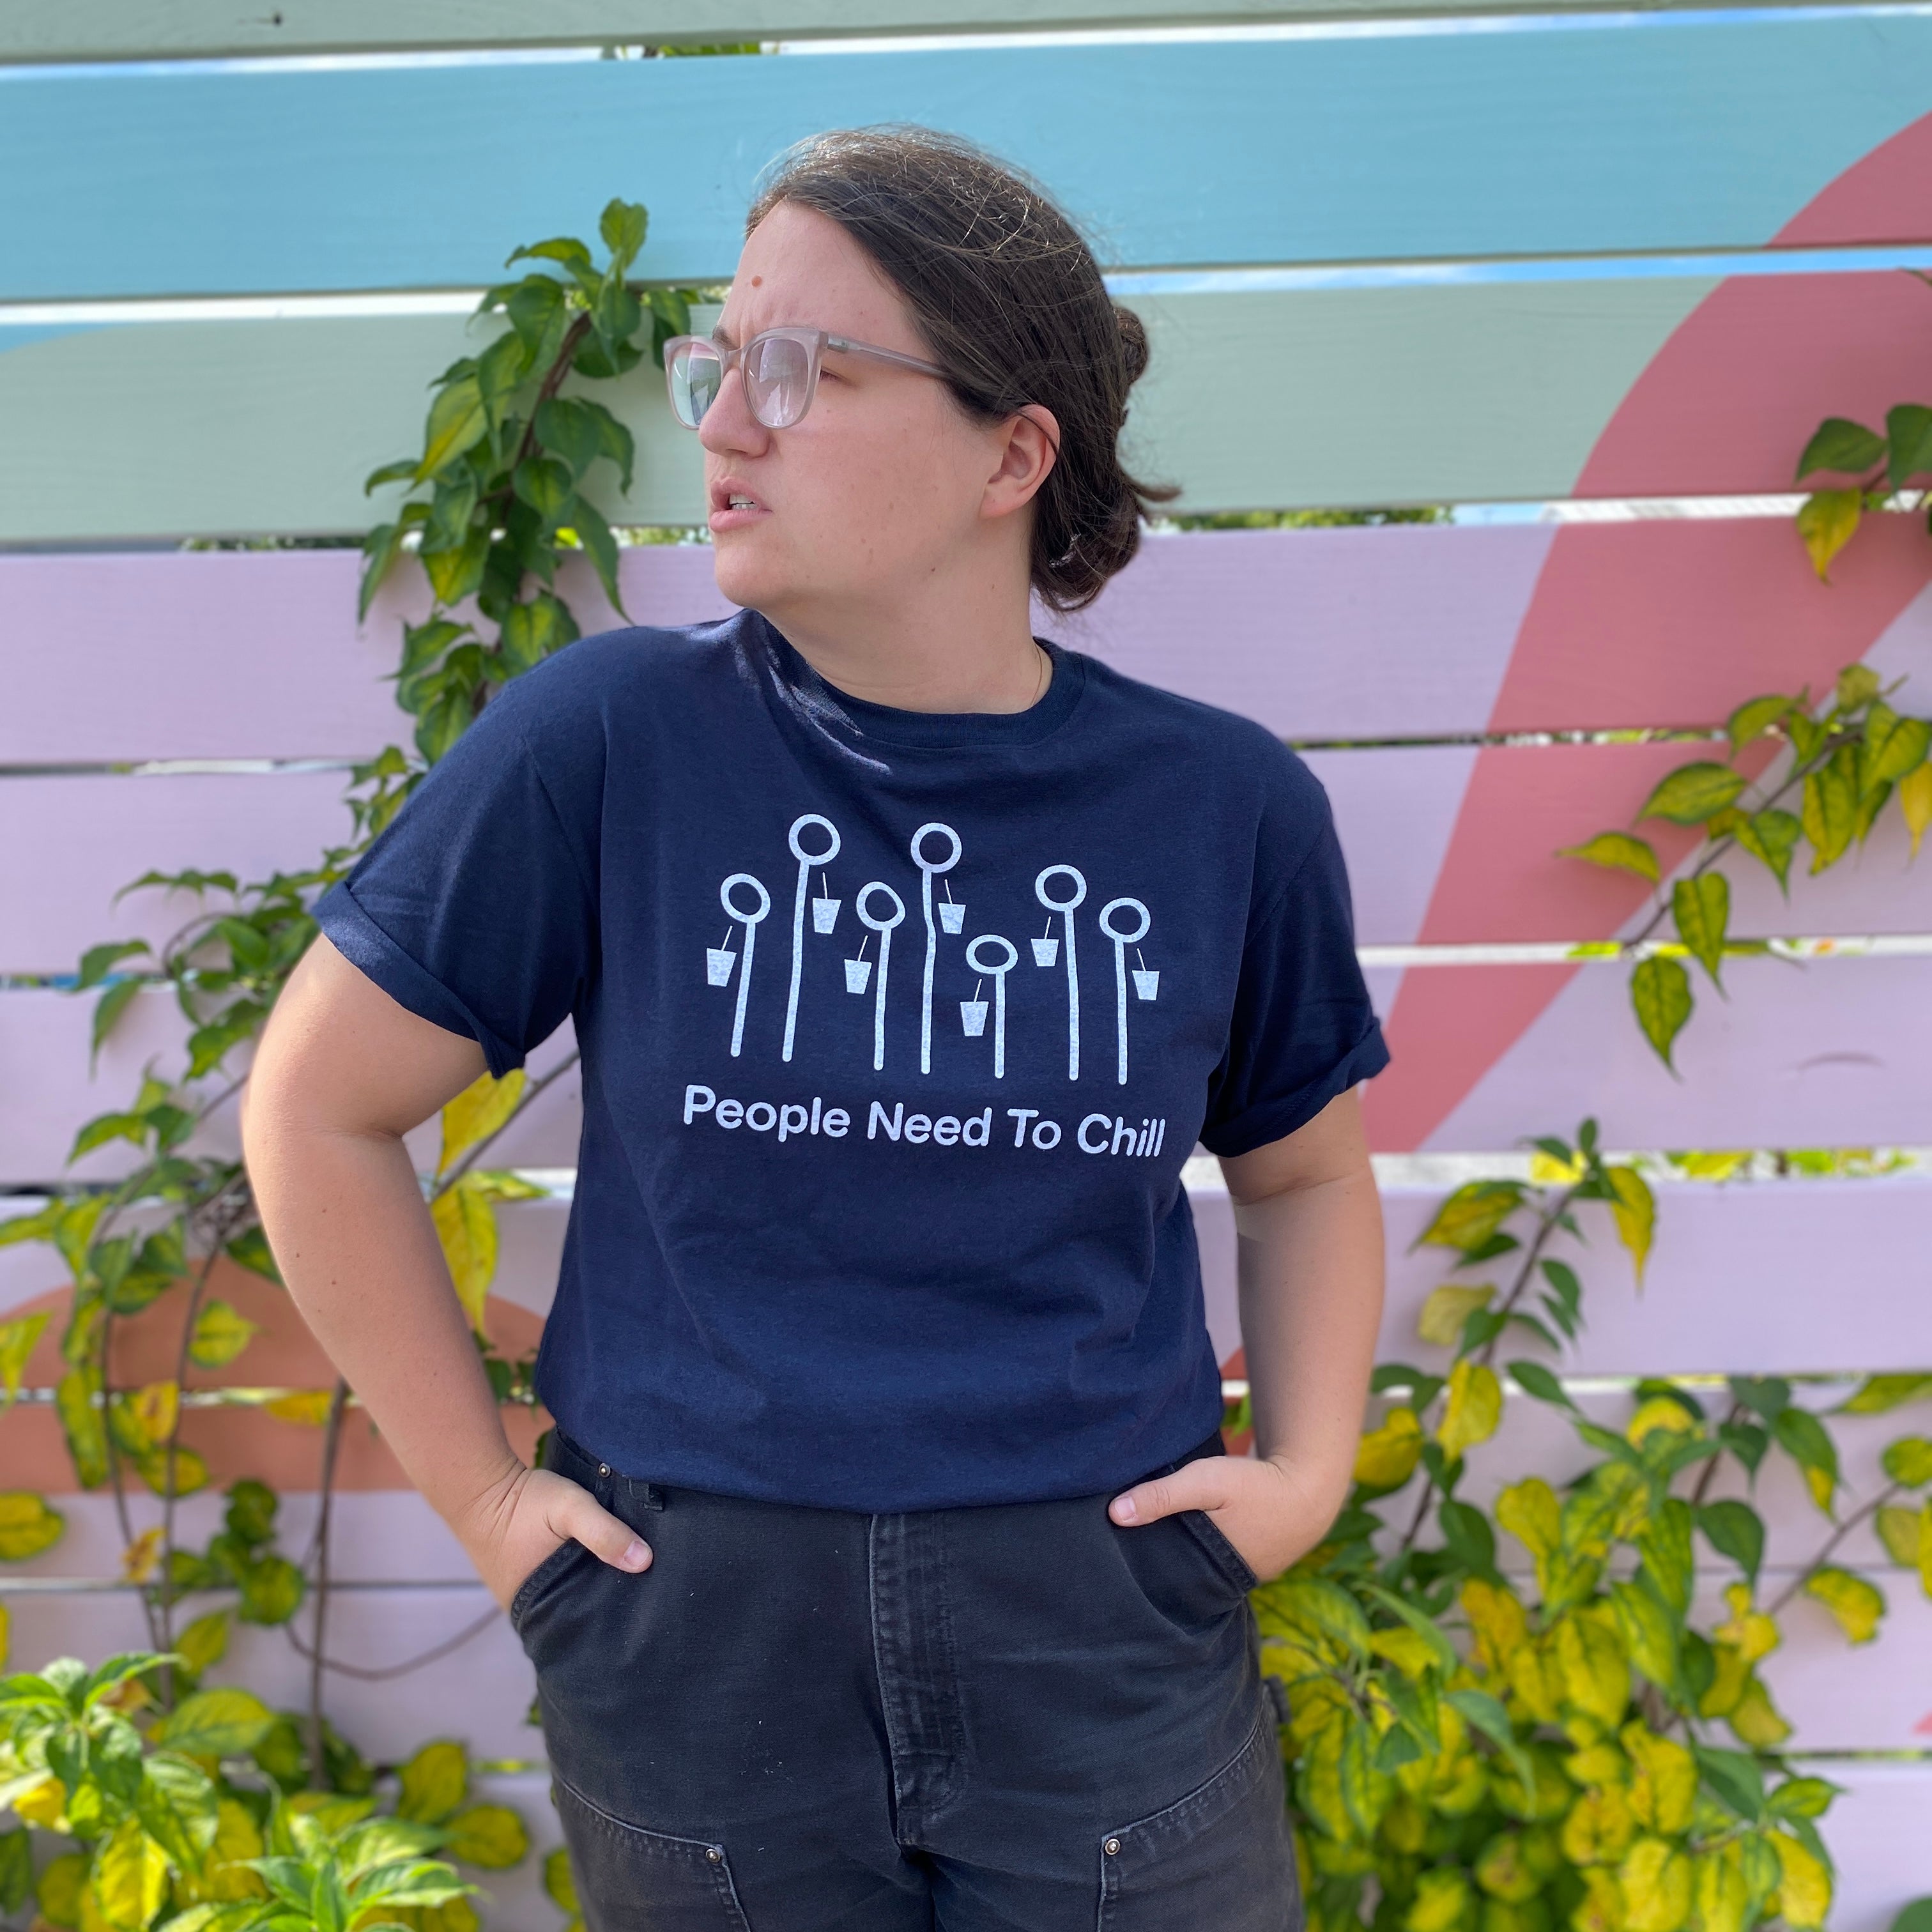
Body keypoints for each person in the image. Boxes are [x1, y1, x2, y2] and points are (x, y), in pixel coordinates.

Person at [242, 125, 1388, 1932]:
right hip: (700, 1642)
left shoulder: (1220, 808)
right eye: (719, 363)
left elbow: (1307, 1173)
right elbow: (314, 1107)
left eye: (801, 371)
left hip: (1100, 1633)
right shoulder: (614, 743)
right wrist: (483, 1505)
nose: (720, 424)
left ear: (1014, 452)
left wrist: (1309, 1473)